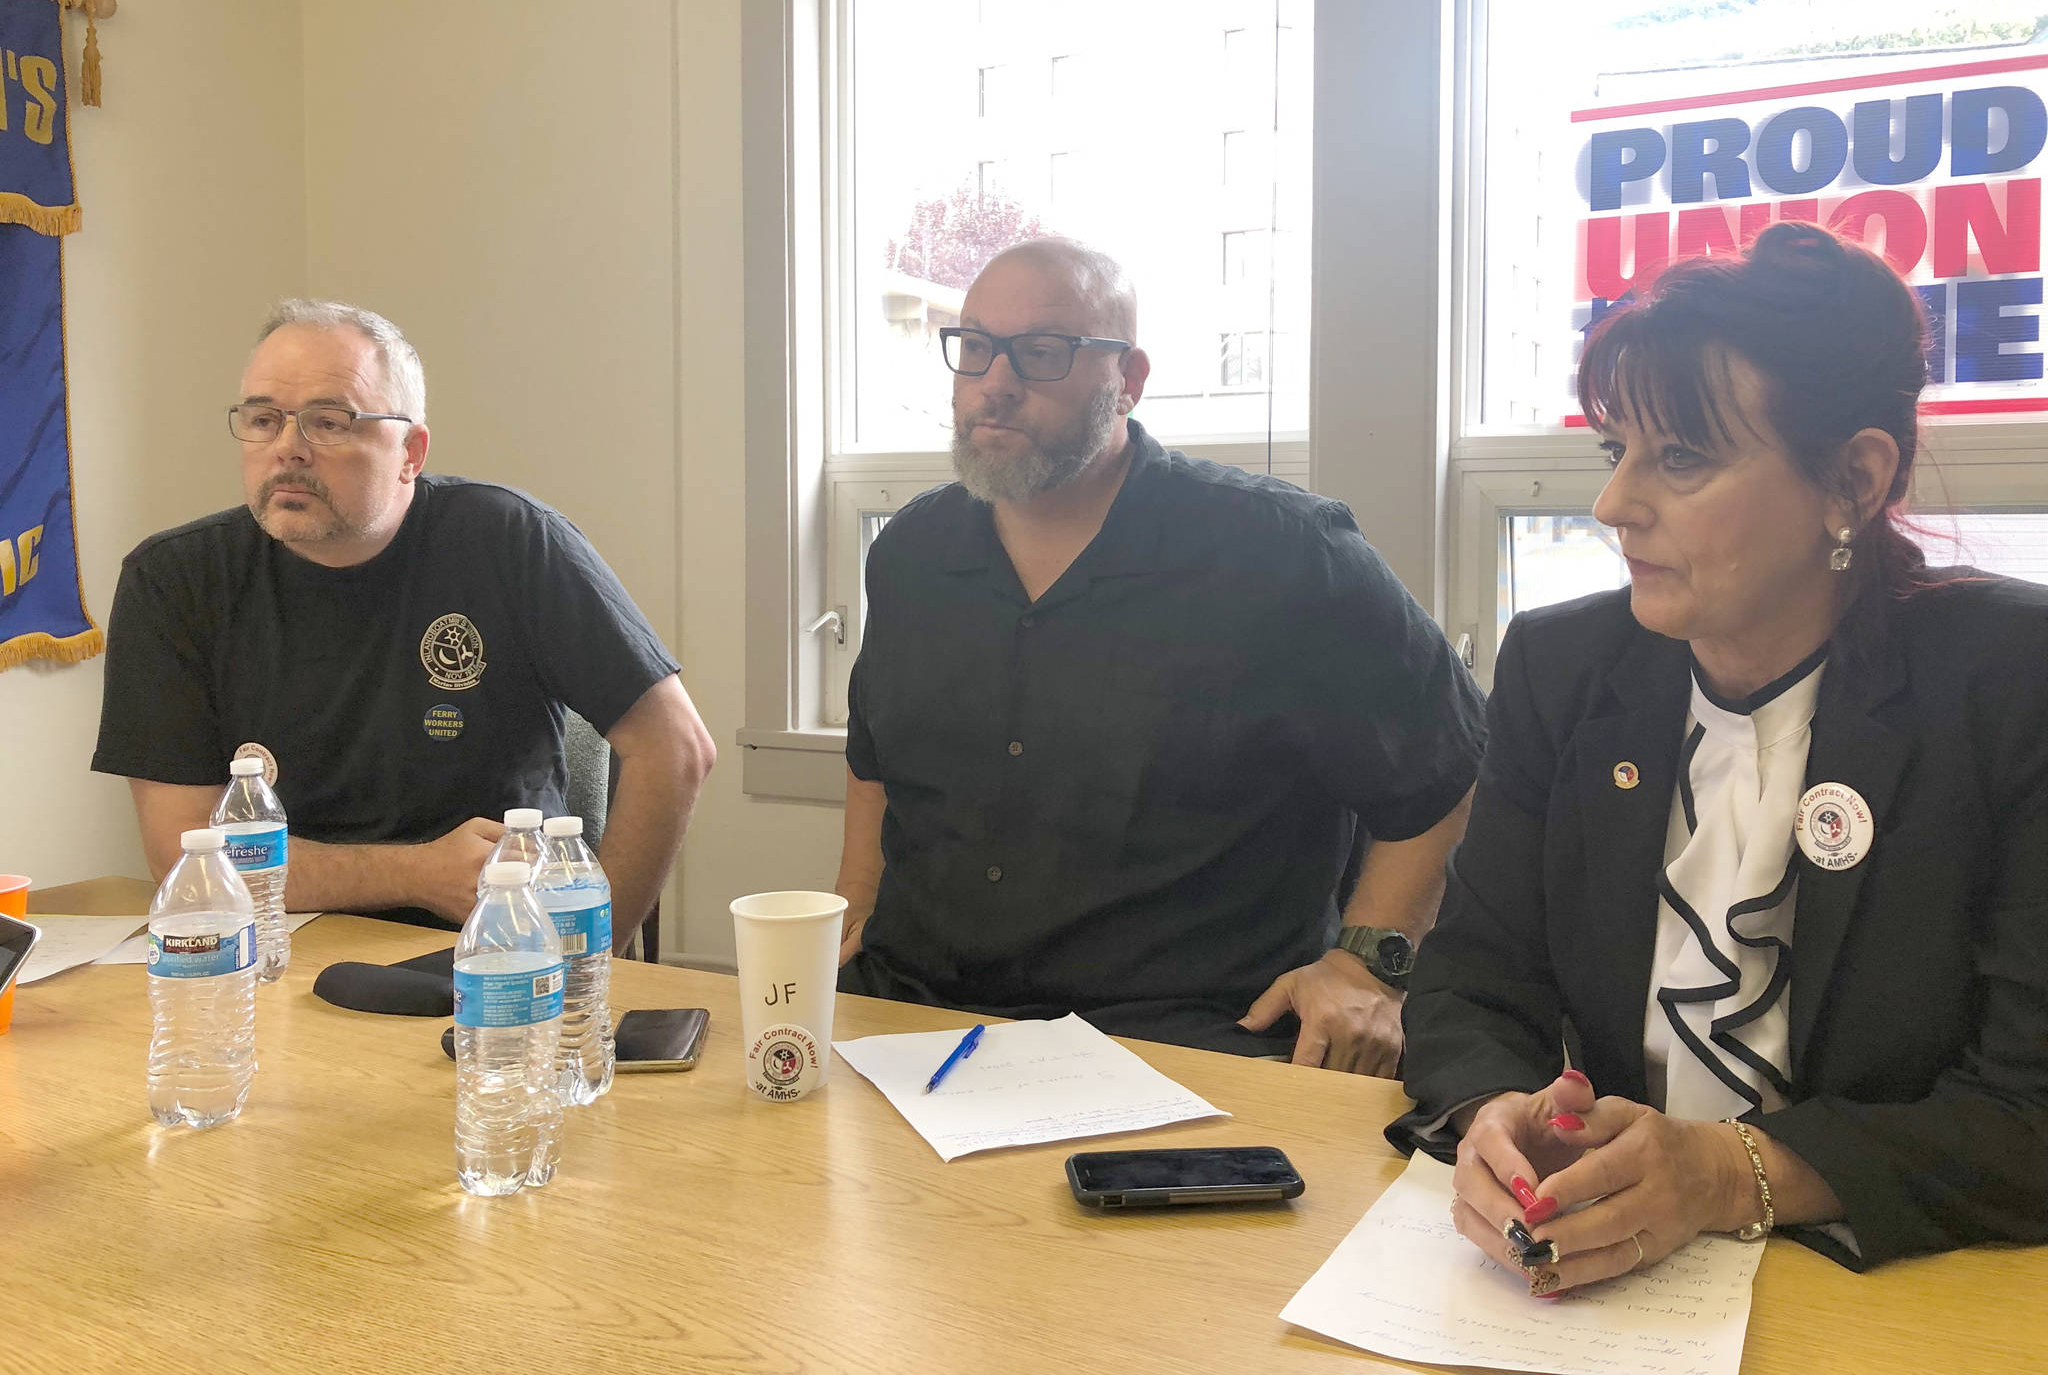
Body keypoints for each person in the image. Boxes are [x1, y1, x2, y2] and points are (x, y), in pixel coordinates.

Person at [1391, 222, 2048, 1288]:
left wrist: (1728, 1173)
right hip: (1606, 1273)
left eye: (1680, 458)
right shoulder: (1565, 669)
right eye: (1616, 453)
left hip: (1901, 1272)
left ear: (1851, 481)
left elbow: (2028, 1112)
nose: (1611, 506)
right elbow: (1471, 980)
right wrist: (1495, 1122)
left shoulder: (2011, 682)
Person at [835, 238, 1482, 1070]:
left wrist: (1368, 966)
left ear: (1129, 380)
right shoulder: (912, 554)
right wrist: (848, 913)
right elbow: (875, 762)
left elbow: (1447, 766)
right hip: (916, 1019)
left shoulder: (1281, 554)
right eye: (976, 348)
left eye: (1041, 353)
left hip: (1182, 1038)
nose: (996, 382)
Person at [91, 300, 715, 942]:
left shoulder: (510, 542)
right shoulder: (172, 580)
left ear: (410, 452)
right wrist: (415, 872)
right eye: (262, 419)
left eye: (327, 423)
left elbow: (676, 747)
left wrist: (591, 955)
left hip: (491, 954)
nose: (287, 450)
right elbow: (181, 854)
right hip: (274, 950)